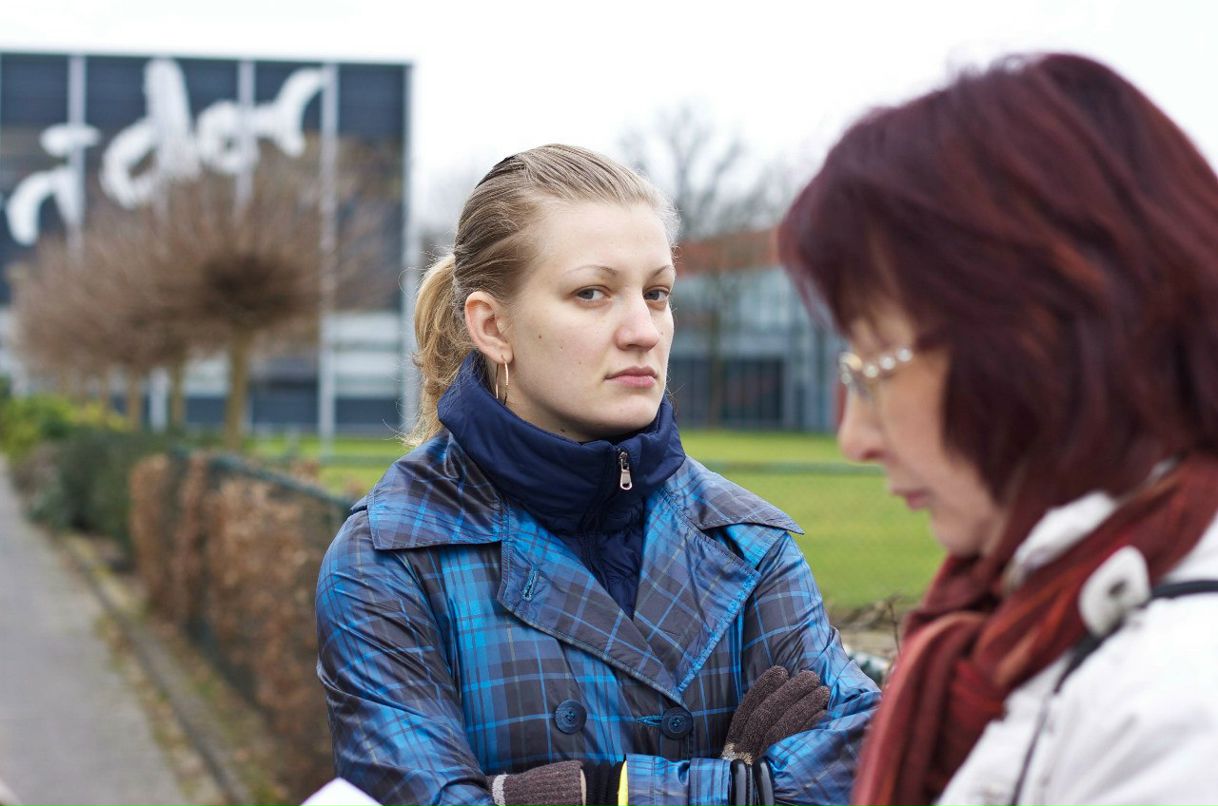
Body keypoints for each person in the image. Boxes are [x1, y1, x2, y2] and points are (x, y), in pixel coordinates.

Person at [315, 144, 879, 806]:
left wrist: (601, 791)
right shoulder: (391, 559)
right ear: (493, 327)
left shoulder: (748, 543)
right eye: (592, 293)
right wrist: (745, 786)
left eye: (657, 293)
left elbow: (867, 769)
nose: (643, 330)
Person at [779, 53, 1218, 806]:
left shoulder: (1178, 707)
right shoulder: (1026, 620)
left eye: (874, 369)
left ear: (1033, 343)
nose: (855, 438)